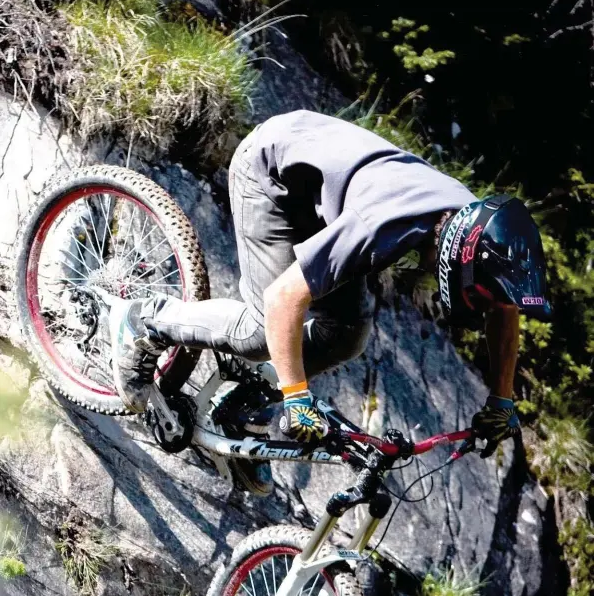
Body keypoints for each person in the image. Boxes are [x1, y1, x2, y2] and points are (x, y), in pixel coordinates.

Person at [109, 110, 551, 494]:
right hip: (271, 175)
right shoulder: (383, 224)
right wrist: (297, 396)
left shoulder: (474, 222)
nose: (482, 304)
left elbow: (502, 309)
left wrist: (502, 399)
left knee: (346, 334)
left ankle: (241, 413)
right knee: (260, 329)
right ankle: (144, 321)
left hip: (319, 194)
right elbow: (284, 298)